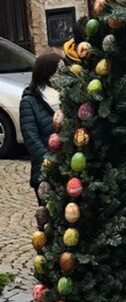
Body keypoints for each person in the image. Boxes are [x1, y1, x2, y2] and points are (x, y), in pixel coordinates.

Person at [20, 51, 61, 202]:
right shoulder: (30, 101)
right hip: (45, 170)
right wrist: (49, 160)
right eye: (58, 70)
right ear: (48, 72)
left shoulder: (66, 95)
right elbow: (31, 137)